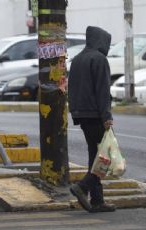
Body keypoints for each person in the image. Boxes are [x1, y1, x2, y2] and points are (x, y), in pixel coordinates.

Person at [68, 26, 116, 213]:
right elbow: (102, 91)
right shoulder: (99, 59)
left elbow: (73, 87)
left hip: (82, 114)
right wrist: (107, 116)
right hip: (96, 114)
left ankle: (97, 200)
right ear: (102, 41)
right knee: (104, 158)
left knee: (95, 157)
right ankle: (82, 187)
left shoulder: (78, 59)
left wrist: (76, 112)